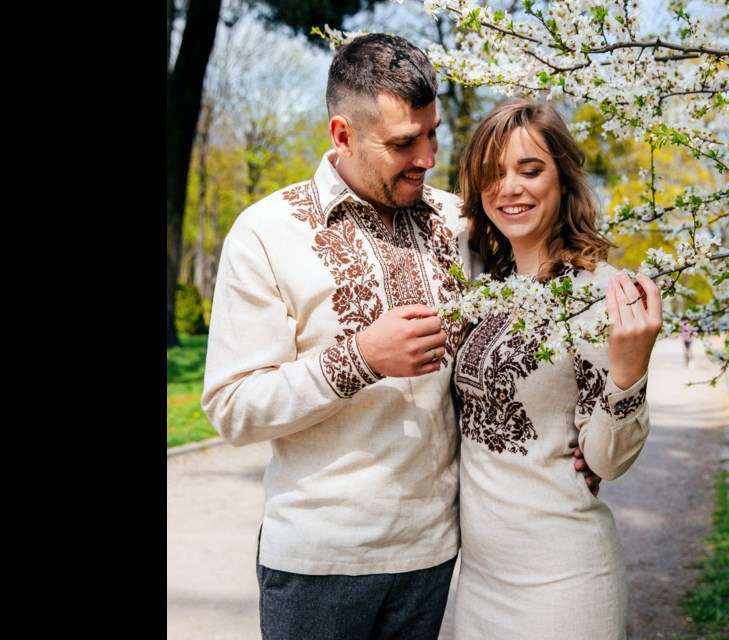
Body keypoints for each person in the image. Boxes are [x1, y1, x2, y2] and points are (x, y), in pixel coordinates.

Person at [201, 34, 599, 639]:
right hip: (319, 563)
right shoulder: (264, 233)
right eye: (403, 143)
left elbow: (537, 294)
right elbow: (231, 408)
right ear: (342, 135)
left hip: (434, 557)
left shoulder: (460, 222)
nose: (428, 157)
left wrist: (588, 428)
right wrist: (358, 359)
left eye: (433, 133)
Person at [452, 100, 663, 639]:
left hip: (564, 584)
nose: (509, 188)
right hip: (478, 583)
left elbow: (606, 462)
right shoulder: (487, 287)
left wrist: (630, 371)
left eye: (530, 169)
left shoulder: (600, 293)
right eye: (492, 174)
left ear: (563, 179)